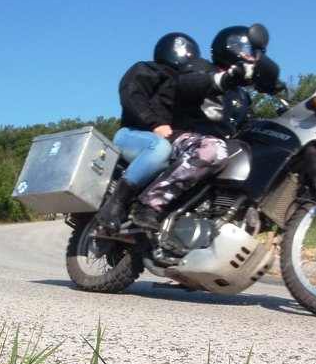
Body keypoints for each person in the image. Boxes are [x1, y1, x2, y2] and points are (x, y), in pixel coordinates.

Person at [131, 25, 280, 230]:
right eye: (248, 50)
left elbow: (249, 125)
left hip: (219, 150)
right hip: (184, 139)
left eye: (257, 53)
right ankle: (149, 204)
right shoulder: (199, 66)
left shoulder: (242, 96)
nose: (253, 58)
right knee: (213, 149)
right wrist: (225, 79)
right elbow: (189, 83)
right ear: (230, 46)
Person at [96, 32, 201, 231]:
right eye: (187, 51)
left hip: (164, 141)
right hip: (131, 135)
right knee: (160, 148)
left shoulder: (185, 88)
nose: (189, 56)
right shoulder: (148, 70)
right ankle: (114, 205)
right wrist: (154, 123)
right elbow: (132, 96)